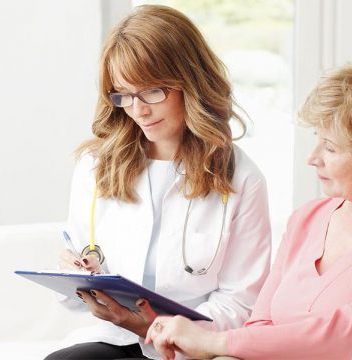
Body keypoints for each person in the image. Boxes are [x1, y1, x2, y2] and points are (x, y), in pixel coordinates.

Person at [44, 4, 271, 360]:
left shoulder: (242, 179)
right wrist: (76, 273)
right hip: (115, 339)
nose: (138, 110)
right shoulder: (96, 165)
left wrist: (156, 328)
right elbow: (81, 267)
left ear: (191, 82)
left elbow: (241, 303)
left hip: (191, 348)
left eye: (152, 91)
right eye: (123, 95)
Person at [146, 60, 352, 360]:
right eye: (316, 140)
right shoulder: (307, 220)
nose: (312, 159)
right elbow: (260, 323)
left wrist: (215, 342)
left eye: (330, 148)